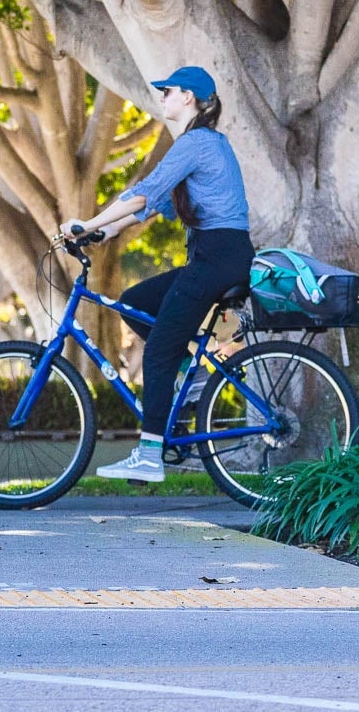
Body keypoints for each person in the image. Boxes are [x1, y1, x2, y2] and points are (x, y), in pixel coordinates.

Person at [60, 66, 251, 484]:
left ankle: (149, 455)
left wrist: (88, 223)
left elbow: (145, 190)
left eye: (168, 91)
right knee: (133, 303)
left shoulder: (198, 143)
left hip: (216, 257)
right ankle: (192, 379)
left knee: (158, 352)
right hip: (215, 257)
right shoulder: (199, 147)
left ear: (189, 97)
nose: (161, 97)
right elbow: (152, 205)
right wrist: (101, 233)